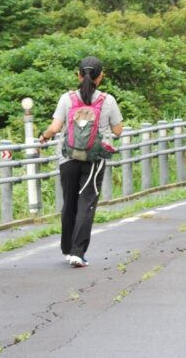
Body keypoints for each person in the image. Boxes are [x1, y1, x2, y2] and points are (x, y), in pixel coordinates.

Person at [38, 56, 123, 268]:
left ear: (78, 75)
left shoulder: (66, 99)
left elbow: (55, 128)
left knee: (69, 202)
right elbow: (118, 131)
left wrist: (44, 137)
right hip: (94, 159)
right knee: (87, 202)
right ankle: (78, 252)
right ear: (101, 77)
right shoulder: (107, 100)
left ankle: (67, 249)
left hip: (67, 157)